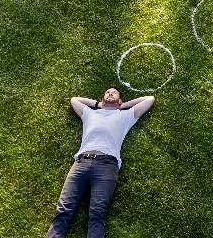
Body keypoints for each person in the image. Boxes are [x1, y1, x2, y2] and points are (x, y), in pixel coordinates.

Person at [46, 87, 155, 238]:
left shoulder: (125, 116)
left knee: (97, 215)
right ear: (103, 98)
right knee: (63, 210)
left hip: (107, 166)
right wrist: (98, 104)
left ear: (120, 100)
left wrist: (122, 106)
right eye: (107, 92)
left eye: (114, 92)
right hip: (81, 163)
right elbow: (74, 100)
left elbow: (149, 99)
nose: (110, 93)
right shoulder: (90, 113)